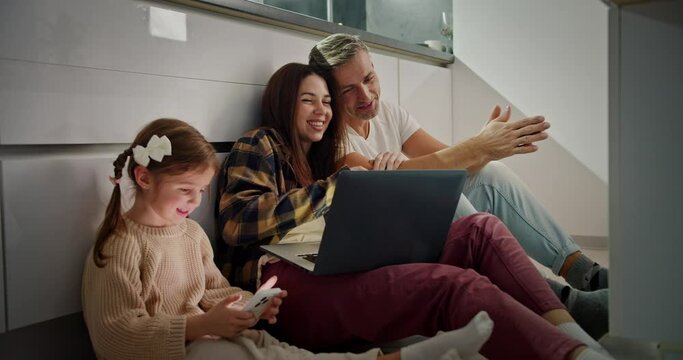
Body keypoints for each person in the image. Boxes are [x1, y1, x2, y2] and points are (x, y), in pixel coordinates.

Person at [217, 63, 613, 359]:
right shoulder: (262, 143)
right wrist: (334, 189)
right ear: (284, 103)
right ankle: (575, 356)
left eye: (325, 101)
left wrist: (384, 187)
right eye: (308, 100)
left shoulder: (321, 158)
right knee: (453, 283)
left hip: (334, 260)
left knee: (481, 228)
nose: (321, 110)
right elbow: (240, 221)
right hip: (281, 289)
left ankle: (576, 332)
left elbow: (440, 164)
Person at [81, 118, 494, 360]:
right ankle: (410, 357)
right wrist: (202, 325)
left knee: (288, 356)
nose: (195, 202)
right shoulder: (120, 245)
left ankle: (405, 356)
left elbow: (211, 290)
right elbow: (115, 336)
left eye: (201, 192)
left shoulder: (188, 233)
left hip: (208, 336)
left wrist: (248, 304)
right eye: (186, 191)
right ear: (143, 177)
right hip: (179, 352)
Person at [308, 34, 608, 338]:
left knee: (490, 176)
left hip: (411, 233)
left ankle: (587, 274)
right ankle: (561, 303)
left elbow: (452, 165)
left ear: (374, 66)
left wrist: (484, 147)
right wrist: (478, 146)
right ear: (329, 93)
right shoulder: (334, 138)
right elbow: (409, 180)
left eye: (369, 78)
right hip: (378, 251)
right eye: (348, 90)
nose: (366, 94)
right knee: (440, 197)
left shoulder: (389, 114)